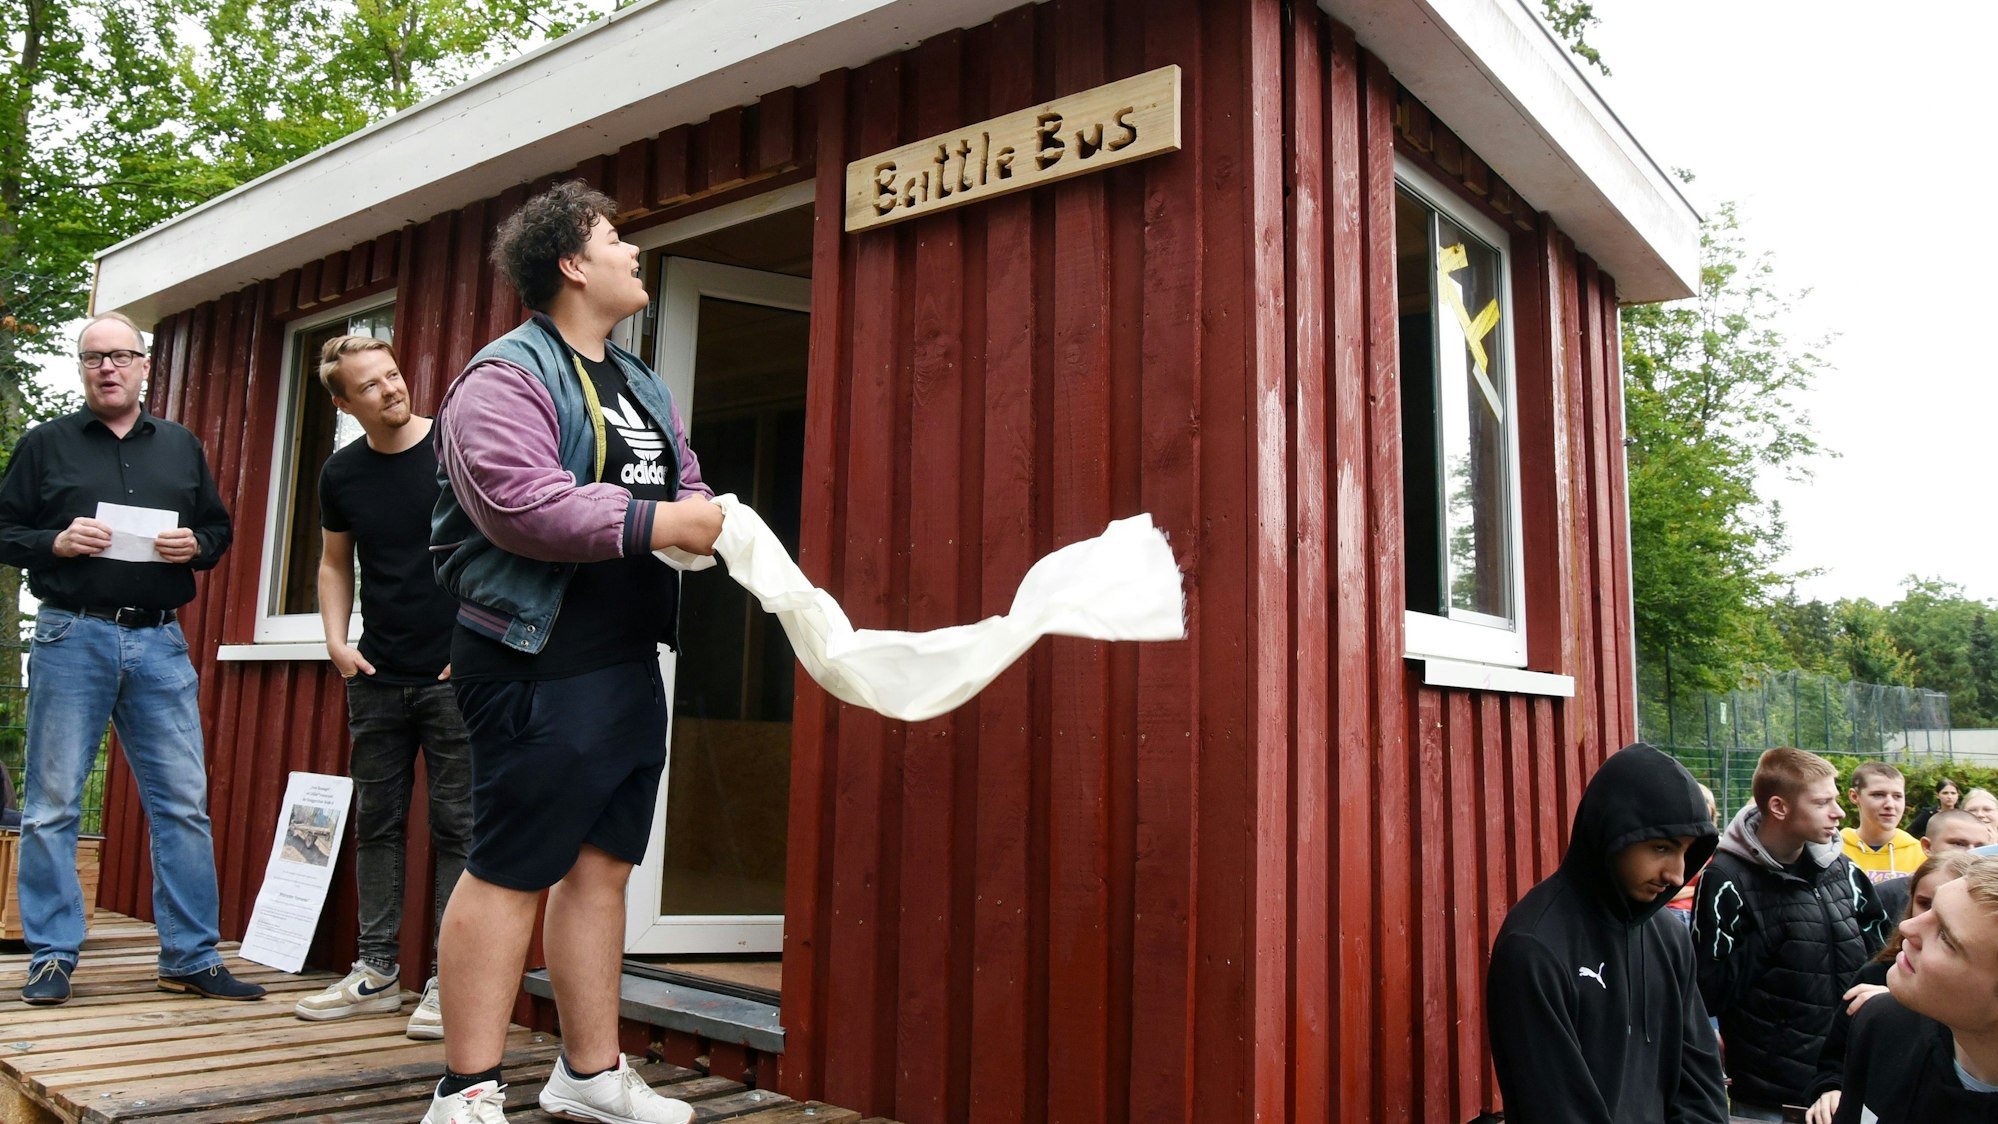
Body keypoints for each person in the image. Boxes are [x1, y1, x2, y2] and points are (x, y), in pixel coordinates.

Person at [421, 181, 723, 1124]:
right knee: (512, 866)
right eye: (614, 236)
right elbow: (522, 503)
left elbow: (685, 481)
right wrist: (666, 521)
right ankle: (465, 1091)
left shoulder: (640, 382)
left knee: (602, 869)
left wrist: (705, 518)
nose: (632, 250)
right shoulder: (502, 378)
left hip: (628, 656)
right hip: (533, 660)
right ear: (571, 264)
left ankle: (589, 1077)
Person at [0, 312, 264, 1006]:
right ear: (81, 369)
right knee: (52, 806)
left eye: (120, 356)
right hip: (71, 636)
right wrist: (54, 542)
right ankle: (52, 955)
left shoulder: (180, 446)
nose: (108, 368)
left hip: (159, 642)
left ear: (145, 366)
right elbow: (4, 530)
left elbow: (217, 529)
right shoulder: (45, 445)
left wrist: (196, 547)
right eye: (94, 358)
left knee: (183, 804)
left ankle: (190, 956)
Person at [292, 335, 472, 1038]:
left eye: (393, 375)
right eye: (370, 385)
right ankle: (375, 973)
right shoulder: (341, 474)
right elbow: (335, 562)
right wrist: (337, 643)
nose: (391, 389)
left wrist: (474, 642)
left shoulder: (455, 449)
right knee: (378, 823)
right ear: (344, 404)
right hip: (375, 676)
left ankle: (450, 983)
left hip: (454, 677)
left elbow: (501, 545)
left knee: (459, 827)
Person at [1485, 743, 1728, 1123]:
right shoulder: (1535, 946)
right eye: (1661, 847)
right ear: (1612, 833)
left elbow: (1702, 1089)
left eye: (1686, 852)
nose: (1677, 874)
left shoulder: (1669, 938)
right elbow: (1557, 1110)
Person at [1691, 747, 1888, 1119]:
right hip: (1771, 1097)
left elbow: (1881, 957)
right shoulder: (1725, 879)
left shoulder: (1844, 870)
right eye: (1822, 802)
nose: (1839, 812)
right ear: (1779, 807)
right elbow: (1707, 990)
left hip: (1851, 1083)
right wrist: (1772, 934)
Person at [1806, 850, 1976, 1124]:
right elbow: (1834, 1066)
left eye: (1946, 932)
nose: (1908, 927)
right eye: (1923, 904)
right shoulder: (1876, 989)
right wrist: (1831, 1088)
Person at [1875, 809, 1987, 925]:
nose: (1971, 852)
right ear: (1927, 846)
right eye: (1958, 844)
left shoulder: (1990, 898)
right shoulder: (1888, 895)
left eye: (1979, 847)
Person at [1840, 762, 1922, 883]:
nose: (1890, 805)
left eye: (1897, 796)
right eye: (1878, 795)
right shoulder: (1835, 851)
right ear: (1854, 796)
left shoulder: (1920, 855)